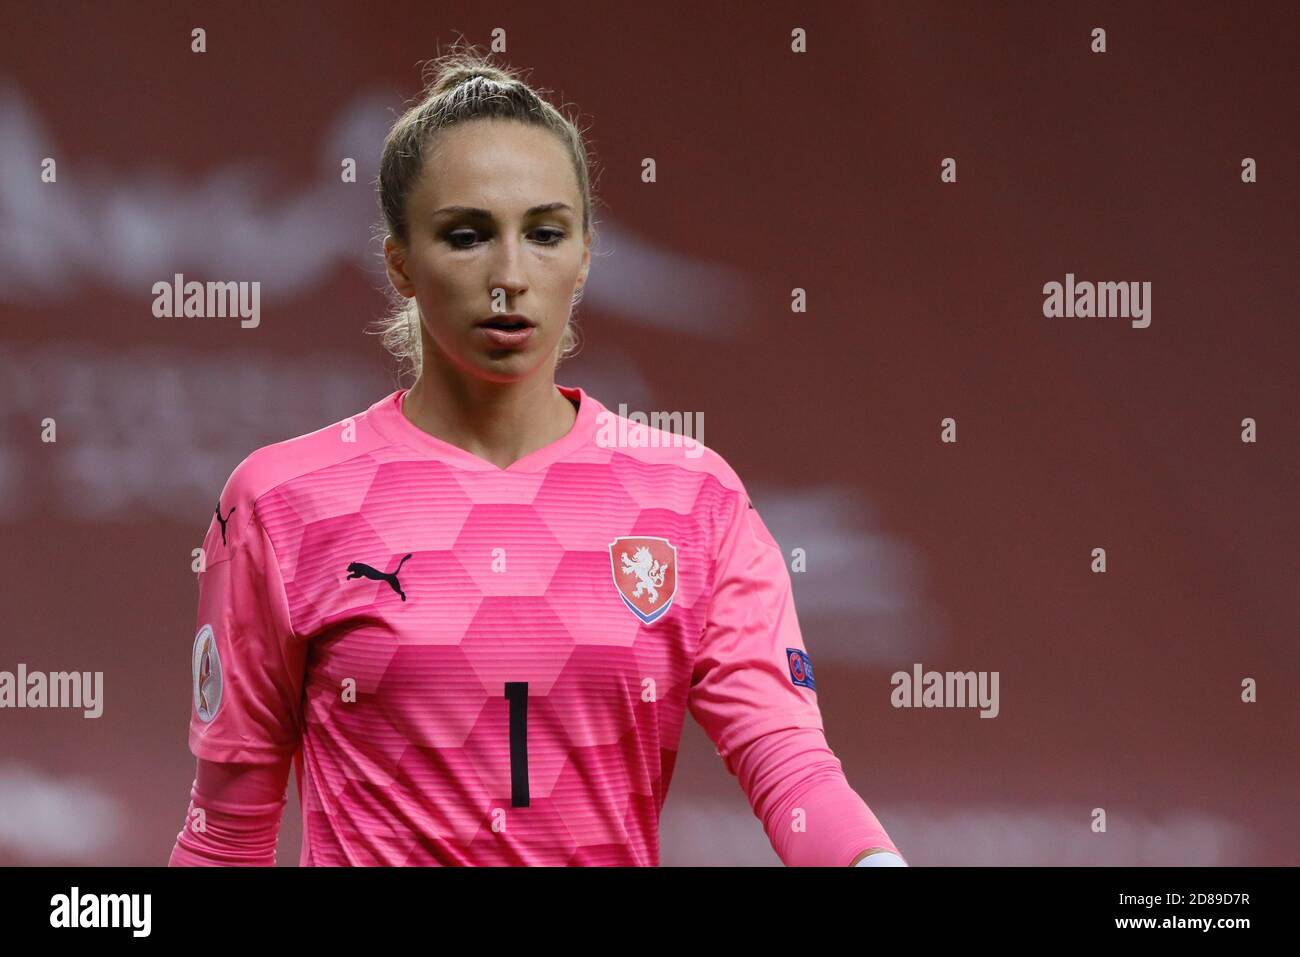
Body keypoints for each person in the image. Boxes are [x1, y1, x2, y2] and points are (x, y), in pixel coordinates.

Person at [169, 45, 906, 867]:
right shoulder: (280, 500)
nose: (509, 275)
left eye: (545, 233)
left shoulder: (695, 497)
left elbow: (791, 768)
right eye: (467, 235)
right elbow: (226, 835)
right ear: (399, 262)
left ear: (587, 256)